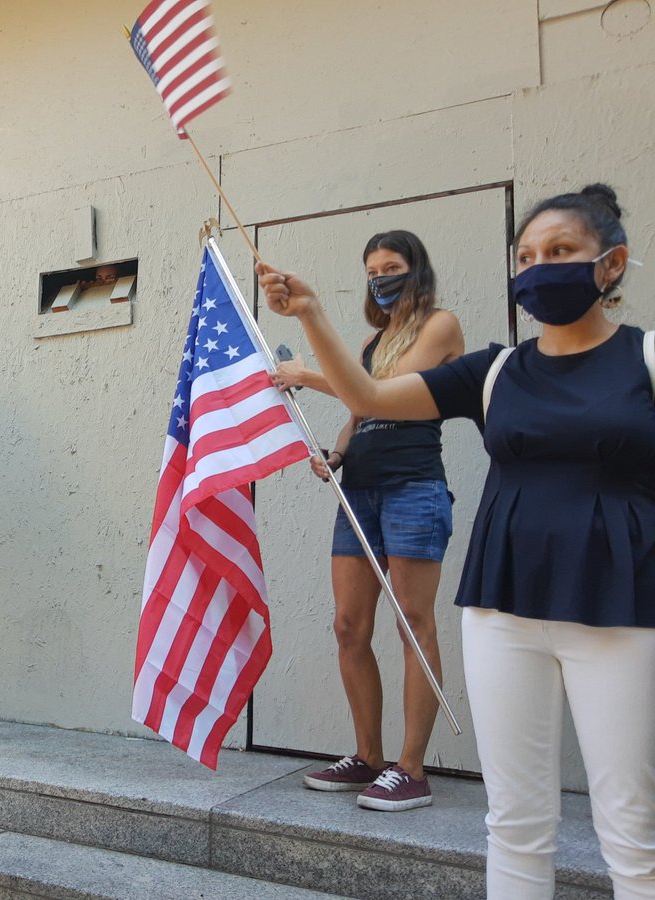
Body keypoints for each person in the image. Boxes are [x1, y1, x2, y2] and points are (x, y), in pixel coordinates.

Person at [259, 183, 655, 898]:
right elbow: (371, 399)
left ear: (612, 263)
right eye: (527, 255)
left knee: (630, 829)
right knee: (515, 824)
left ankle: (403, 765)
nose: (540, 267)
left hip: (621, 605)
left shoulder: (645, 360)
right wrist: (313, 313)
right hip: (503, 606)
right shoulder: (499, 370)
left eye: (561, 251)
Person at [273, 232, 464, 812]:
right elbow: (359, 415)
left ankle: (411, 769)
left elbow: (379, 393)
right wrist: (334, 455)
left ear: (416, 271)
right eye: (373, 270)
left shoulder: (440, 326)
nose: (381, 278)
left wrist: (307, 373)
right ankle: (368, 758)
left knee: (413, 622)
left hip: (413, 488)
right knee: (349, 626)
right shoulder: (369, 342)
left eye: (393, 267)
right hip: (359, 491)